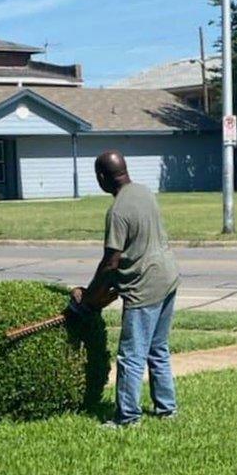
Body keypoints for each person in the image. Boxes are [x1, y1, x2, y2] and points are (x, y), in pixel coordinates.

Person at [72, 150, 180, 428]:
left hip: (144, 287)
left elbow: (111, 262)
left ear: (101, 177)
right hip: (168, 278)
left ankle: (127, 417)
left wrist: (88, 295)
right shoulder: (144, 192)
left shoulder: (118, 210)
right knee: (158, 348)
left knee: (131, 355)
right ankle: (167, 409)